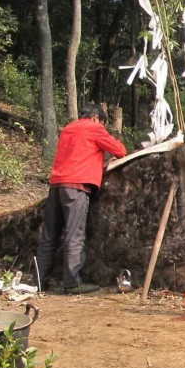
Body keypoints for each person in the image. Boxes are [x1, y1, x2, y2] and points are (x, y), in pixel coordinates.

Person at [35, 103, 127, 294]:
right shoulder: (94, 128)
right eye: (102, 123)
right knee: (74, 234)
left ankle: (39, 282)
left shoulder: (68, 129)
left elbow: (78, 154)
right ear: (96, 118)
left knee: (49, 235)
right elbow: (120, 150)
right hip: (76, 187)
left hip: (57, 185)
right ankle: (72, 282)